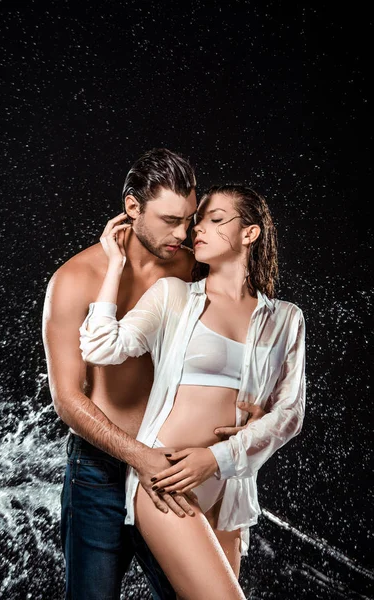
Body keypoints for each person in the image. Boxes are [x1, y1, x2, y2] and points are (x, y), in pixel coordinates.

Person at [42, 149, 264, 600]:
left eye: (189, 219)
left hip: (175, 470)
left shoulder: (195, 268)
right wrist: (138, 456)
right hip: (99, 473)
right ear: (131, 208)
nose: (182, 234)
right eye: (168, 220)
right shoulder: (75, 279)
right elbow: (67, 398)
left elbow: (249, 334)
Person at [79, 183, 306, 600]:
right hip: (168, 479)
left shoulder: (286, 318)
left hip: (231, 487)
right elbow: (102, 347)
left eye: (216, 220)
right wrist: (114, 265)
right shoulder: (174, 296)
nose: (197, 229)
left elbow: (289, 412)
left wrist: (217, 457)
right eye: (198, 220)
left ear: (249, 234)